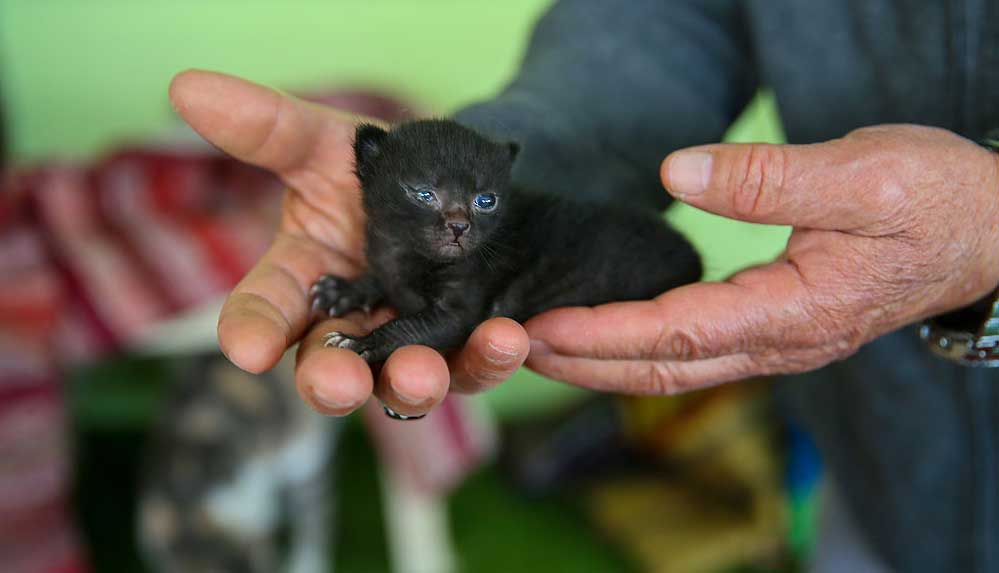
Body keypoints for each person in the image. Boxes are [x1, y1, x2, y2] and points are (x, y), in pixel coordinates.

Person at [168, 1, 999, 571]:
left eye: (474, 207)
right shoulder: (446, 220)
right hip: (890, 471)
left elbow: (449, 306)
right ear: (371, 173)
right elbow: (668, 14)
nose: (454, 222)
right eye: (431, 201)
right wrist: (527, 149)